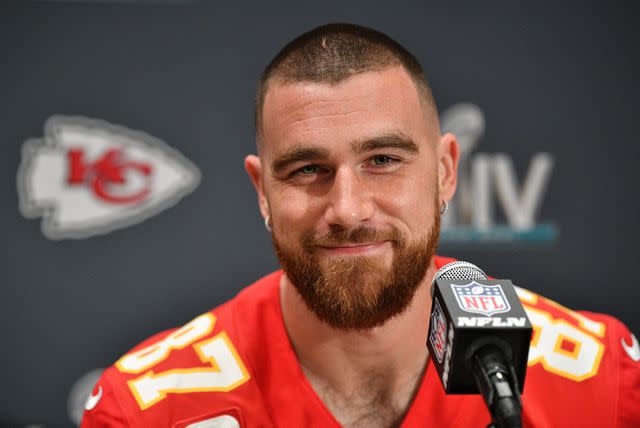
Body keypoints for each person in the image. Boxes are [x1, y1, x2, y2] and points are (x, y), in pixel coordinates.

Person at [81, 23, 640, 428]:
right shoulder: (145, 410)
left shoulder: (599, 385)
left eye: (383, 161)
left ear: (445, 173)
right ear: (262, 193)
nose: (347, 209)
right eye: (307, 169)